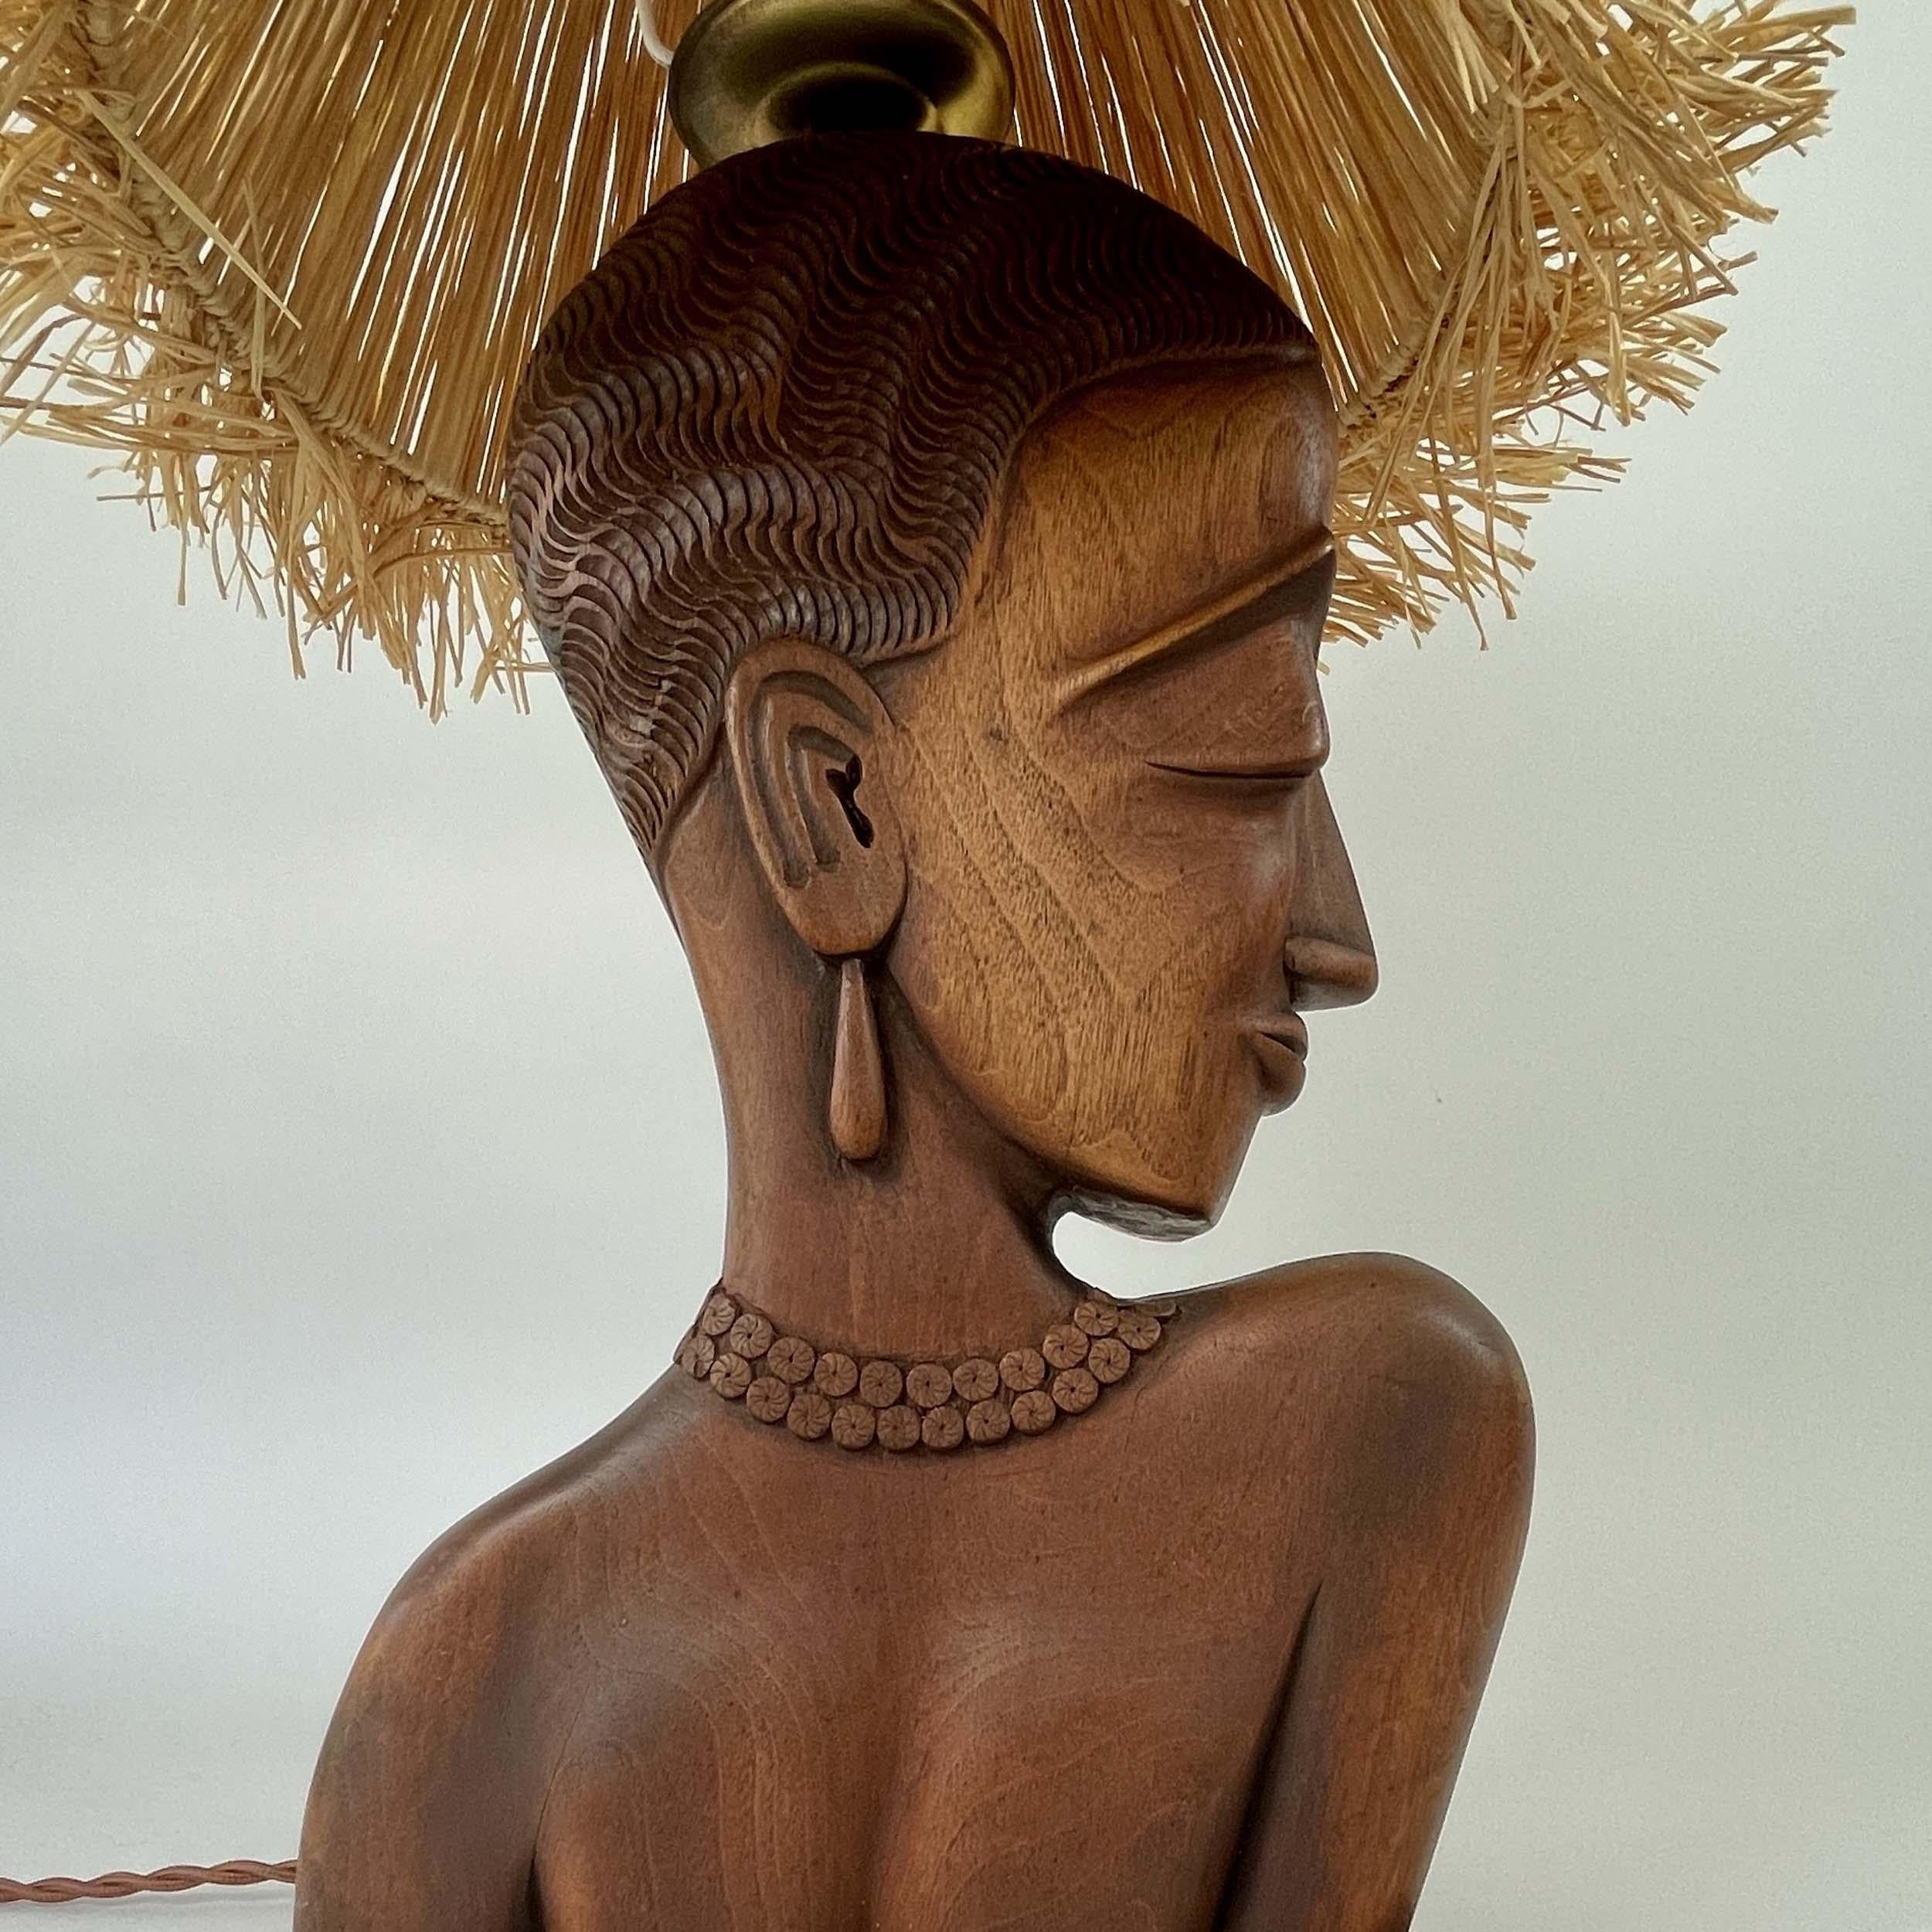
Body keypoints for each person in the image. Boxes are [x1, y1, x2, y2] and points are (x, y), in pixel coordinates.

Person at [294, 134, 1532, 1932]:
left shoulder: (1376, 1425)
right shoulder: (458, 1675)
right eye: (1238, 750)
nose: (1336, 939)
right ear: (833, 803)